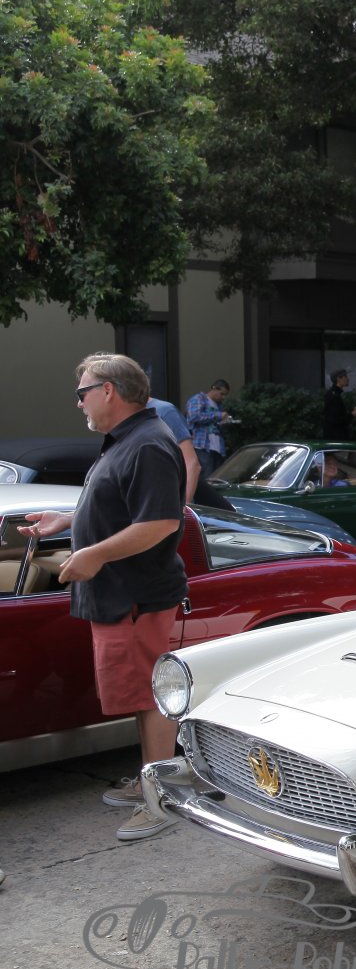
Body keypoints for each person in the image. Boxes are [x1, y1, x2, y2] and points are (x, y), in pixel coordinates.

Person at [21, 354, 187, 841]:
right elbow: (119, 507)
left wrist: (93, 554)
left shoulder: (149, 443)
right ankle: (151, 777)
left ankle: (161, 799)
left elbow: (161, 522)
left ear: (109, 390)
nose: (79, 404)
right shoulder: (127, 439)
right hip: (121, 595)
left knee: (151, 695)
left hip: (136, 596)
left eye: (83, 393)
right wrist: (66, 520)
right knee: (138, 691)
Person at [185, 379, 231, 479]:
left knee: (216, 478)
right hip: (201, 446)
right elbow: (194, 417)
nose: (223, 397)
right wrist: (218, 415)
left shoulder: (218, 405)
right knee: (206, 477)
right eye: (222, 394)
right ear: (214, 389)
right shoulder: (198, 399)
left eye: (225, 395)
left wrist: (224, 423)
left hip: (217, 448)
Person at [323, 369, 356, 440]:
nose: (348, 379)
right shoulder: (334, 395)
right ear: (338, 379)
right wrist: (352, 414)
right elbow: (336, 419)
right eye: (345, 376)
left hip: (336, 436)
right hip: (336, 438)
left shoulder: (336, 394)